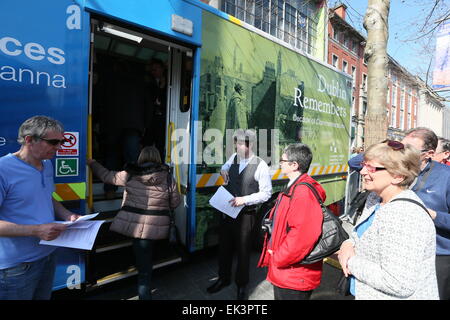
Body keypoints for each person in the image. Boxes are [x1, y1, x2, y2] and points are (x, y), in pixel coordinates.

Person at [338, 140, 439, 299]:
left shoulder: (404, 216)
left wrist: (350, 261)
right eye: (364, 164)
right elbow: (360, 235)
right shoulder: (375, 198)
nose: (363, 171)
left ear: (398, 176)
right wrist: (348, 244)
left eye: (371, 167)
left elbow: (398, 283)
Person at [0, 116, 80, 300]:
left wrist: (67, 215)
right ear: (29, 140)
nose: (58, 147)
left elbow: (47, 196)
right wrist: (36, 230)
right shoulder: (3, 169)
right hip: (16, 267)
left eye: (61, 142)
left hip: (47, 256)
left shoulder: (46, 164)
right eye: (53, 142)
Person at [88, 146, 180, 300]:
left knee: (143, 267)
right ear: (158, 158)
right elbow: (175, 202)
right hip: (157, 227)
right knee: (147, 260)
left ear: (141, 157)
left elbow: (106, 176)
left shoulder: (129, 174)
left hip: (135, 225)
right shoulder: (168, 177)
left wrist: (92, 163)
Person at [206, 129, 272, 300]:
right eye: (237, 143)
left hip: (246, 216)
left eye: (241, 143)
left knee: (243, 252)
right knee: (224, 248)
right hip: (228, 213)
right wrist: (223, 170)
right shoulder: (234, 157)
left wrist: (244, 199)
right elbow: (225, 167)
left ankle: (242, 285)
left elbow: (266, 193)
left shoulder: (261, 165)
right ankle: (223, 278)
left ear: (251, 145)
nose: (237, 146)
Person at [257, 143, 326, 300]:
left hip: (293, 276)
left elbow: (302, 237)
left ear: (294, 165)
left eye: (283, 160)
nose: (280, 163)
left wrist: (278, 258)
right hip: (290, 272)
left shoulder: (302, 192)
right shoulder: (295, 187)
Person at [401, 127, 450, 299]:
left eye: (409, 149)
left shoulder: (446, 176)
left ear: (428, 153)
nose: (402, 153)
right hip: (403, 251)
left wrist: (433, 215)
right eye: (400, 147)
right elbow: (355, 163)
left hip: (438, 255)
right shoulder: (395, 170)